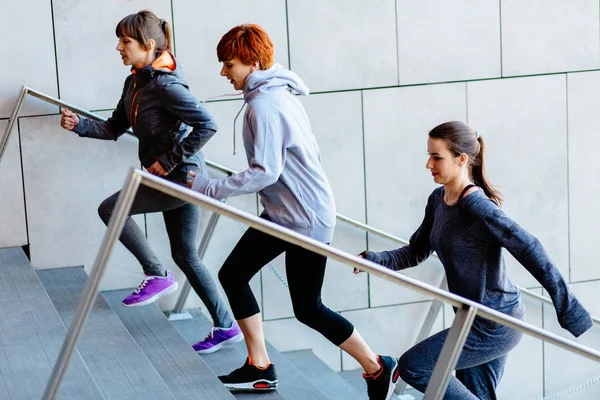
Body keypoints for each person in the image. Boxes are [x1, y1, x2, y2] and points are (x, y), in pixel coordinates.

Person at [188, 24, 399, 400]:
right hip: (288, 214)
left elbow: (265, 170)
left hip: (304, 220)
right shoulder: (274, 96)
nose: (224, 72)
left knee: (307, 308)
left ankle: (378, 366)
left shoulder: (266, 105)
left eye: (229, 63)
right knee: (234, 274)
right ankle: (259, 367)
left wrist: (209, 188)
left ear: (252, 62)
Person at [355, 120, 593, 399]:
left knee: (415, 367)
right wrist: (377, 260)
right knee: (476, 393)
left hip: (495, 322)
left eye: (437, 157)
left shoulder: (476, 206)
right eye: (428, 155)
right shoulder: (438, 200)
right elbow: (417, 250)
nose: (428, 164)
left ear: (462, 159)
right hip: (469, 317)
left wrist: (568, 307)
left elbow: (529, 247)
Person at [59, 10, 242, 354]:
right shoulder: (135, 83)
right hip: (173, 176)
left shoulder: (167, 86)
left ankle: (156, 274)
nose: (118, 47)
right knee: (187, 254)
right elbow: (114, 128)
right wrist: (79, 125)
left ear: (148, 44)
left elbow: (208, 124)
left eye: (125, 41)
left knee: (111, 209)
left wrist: (168, 160)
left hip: (181, 178)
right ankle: (226, 326)